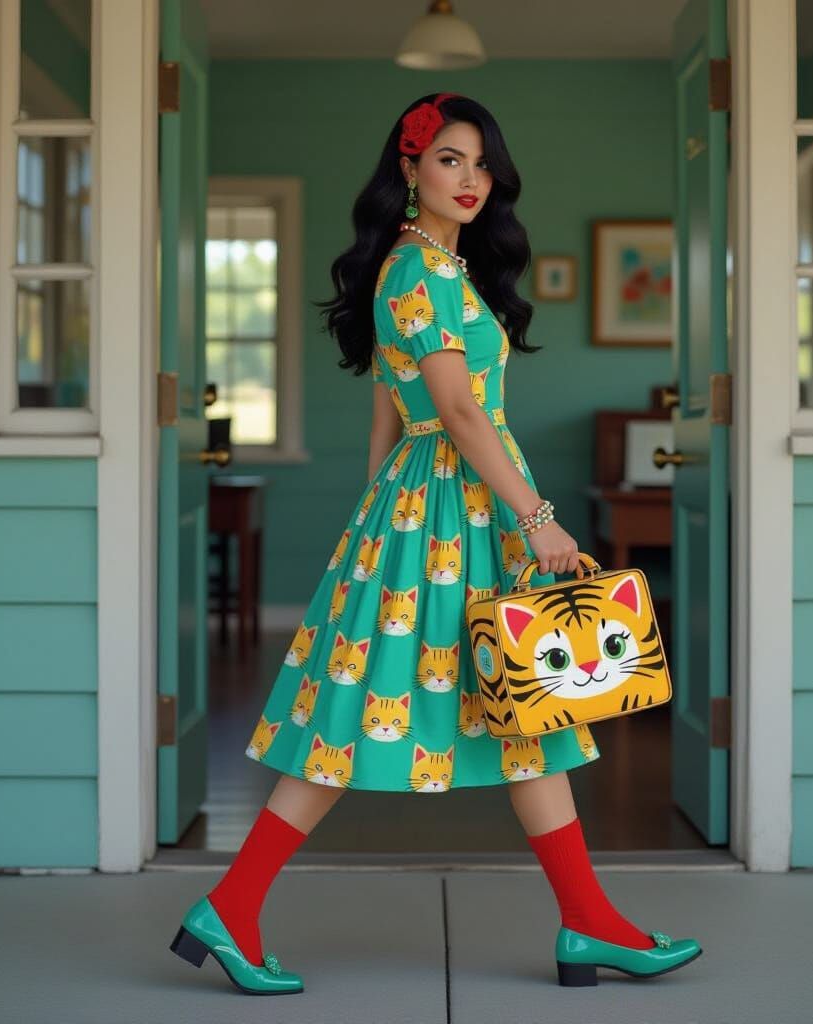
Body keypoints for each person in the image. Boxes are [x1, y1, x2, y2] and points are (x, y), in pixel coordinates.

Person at [169, 92, 702, 996]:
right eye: (450, 158)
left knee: (528, 714)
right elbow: (456, 410)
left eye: (482, 163)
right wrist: (536, 516)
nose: (471, 178)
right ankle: (233, 904)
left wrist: (379, 515)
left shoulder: (432, 269)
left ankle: (586, 920)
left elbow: (388, 412)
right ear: (410, 168)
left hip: (439, 509)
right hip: (454, 512)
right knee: (365, 716)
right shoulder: (417, 271)